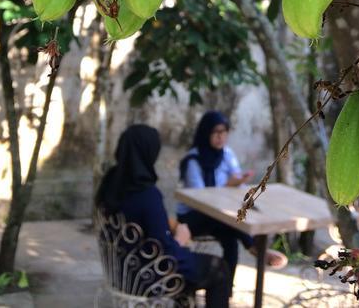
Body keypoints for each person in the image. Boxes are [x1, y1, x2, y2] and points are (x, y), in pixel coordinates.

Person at [96, 124, 231, 308]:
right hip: (149, 278)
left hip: (121, 272)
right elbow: (166, 252)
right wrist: (181, 239)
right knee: (219, 269)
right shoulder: (147, 194)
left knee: (196, 266)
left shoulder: (109, 183)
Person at [177, 111, 287, 294]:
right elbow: (201, 197)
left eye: (224, 132)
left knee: (230, 241)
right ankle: (254, 247)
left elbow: (237, 181)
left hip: (218, 217)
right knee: (225, 219)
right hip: (193, 217)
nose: (220, 137)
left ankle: (226, 291)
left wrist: (238, 182)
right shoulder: (193, 160)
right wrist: (228, 184)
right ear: (206, 133)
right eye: (215, 132)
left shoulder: (226, 154)